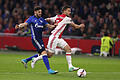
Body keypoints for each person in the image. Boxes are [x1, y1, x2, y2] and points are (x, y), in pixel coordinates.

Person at [31, 6, 85, 72]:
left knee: (68, 49)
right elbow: (75, 26)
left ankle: (70, 67)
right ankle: (35, 59)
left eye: (70, 11)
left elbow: (48, 19)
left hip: (58, 38)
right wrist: (80, 26)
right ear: (64, 11)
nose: (70, 12)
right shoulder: (67, 18)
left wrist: (40, 21)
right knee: (49, 55)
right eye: (68, 11)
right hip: (54, 37)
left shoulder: (57, 17)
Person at [15, 6, 58, 74]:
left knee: (41, 54)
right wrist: (19, 26)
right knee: (44, 53)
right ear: (35, 12)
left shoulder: (42, 19)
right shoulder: (31, 19)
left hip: (40, 39)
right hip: (35, 39)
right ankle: (49, 70)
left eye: (41, 12)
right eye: (39, 12)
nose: (40, 13)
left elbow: (49, 26)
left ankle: (26, 60)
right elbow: (25, 24)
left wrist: (54, 26)